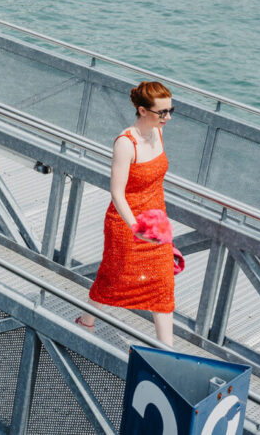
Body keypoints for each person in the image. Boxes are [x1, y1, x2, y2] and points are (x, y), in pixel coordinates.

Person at [77, 81, 176, 347]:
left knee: (163, 285)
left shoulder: (158, 133)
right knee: (113, 277)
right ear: (143, 111)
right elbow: (117, 193)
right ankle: (87, 321)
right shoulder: (125, 143)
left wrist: (159, 225)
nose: (167, 118)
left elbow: (157, 183)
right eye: (162, 112)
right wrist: (136, 228)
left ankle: (168, 352)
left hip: (156, 222)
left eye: (170, 111)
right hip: (127, 222)